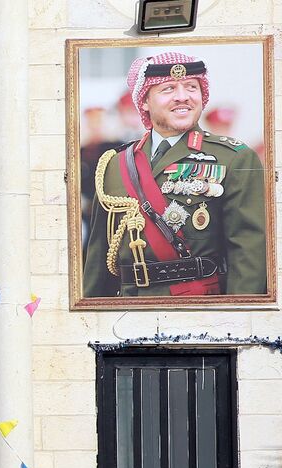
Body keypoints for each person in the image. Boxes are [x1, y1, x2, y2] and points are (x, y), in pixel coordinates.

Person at [83, 51, 267, 298]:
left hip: (199, 309)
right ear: (145, 101)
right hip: (127, 311)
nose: (183, 97)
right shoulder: (116, 164)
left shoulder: (234, 157)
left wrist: (238, 321)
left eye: (191, 87)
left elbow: (248, 251)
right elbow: (99, 256)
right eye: (168, 89)